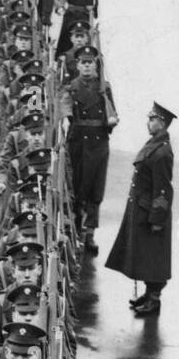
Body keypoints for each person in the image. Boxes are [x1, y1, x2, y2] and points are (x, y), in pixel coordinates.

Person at [106, 102, 175, 314]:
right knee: (144, 255)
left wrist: (157, 219)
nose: (148, 122)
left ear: (162, 123)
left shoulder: (163, 152)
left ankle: (154, 299)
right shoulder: (155, 143)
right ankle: (149, 294)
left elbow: (163, 190)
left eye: (152, 119)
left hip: (151, 214)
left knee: (153, 257)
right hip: (142, 209)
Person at [62, 46, 118, 253]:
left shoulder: (104, 88)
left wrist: (112, 119)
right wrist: (67, 115)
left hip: (98, 142)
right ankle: (77, 228)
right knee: (77, 186)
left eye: (90, 62)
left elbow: (113, 112)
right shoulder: (71, 87)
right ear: (77, 65)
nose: (86, 66)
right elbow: (65, 106)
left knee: (96, 189)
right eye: (83, 63)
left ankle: (90, 233)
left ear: (96, 65)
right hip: (78, 140)